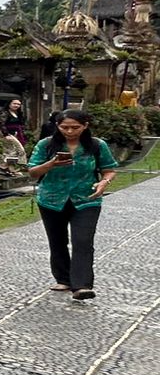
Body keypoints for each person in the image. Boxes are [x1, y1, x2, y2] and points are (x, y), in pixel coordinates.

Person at [27, 108, 118, 300]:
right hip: (52, 199)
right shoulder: (46, 145)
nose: (69, 131)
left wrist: (104, 182)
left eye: (75, 127)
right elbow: (33, 172)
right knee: (57, 240)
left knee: (83, 240)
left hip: (86, 198)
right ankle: (63, 278)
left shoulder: (97, 145)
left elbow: (109, 169)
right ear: (57, 126)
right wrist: (50, 164)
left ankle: (82, 285)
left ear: (85, 126)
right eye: (64, 127)